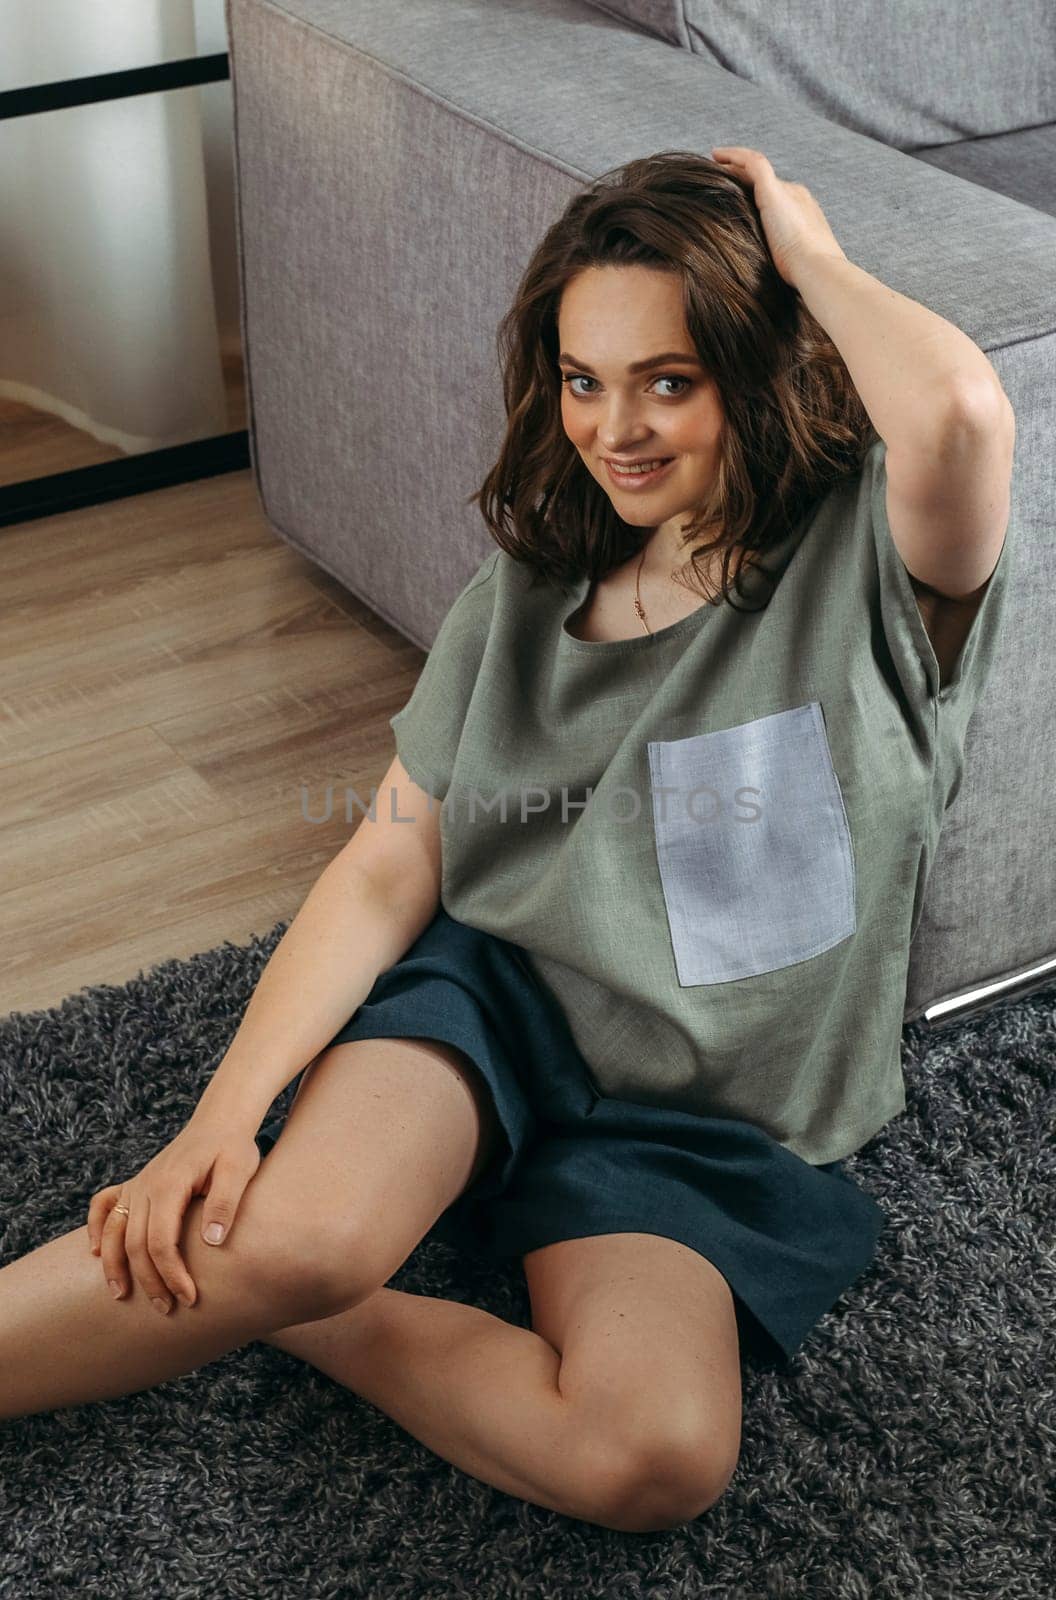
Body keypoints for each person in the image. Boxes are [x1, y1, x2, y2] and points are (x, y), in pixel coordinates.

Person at [1, 149, 1014, 1535]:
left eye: (671, 378)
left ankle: (316, 1315)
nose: (618, 429)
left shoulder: (873, 572)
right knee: (294, 1235)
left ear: (759, 361)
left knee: (649, 1460)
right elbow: (384, 868)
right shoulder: (531, 592)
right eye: (584, 379)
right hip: (500, 1005)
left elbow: (959, 406)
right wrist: (216, 1125)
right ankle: (299, 1272)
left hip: (702, 1132)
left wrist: (809, 257)